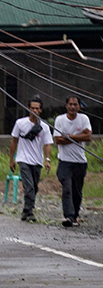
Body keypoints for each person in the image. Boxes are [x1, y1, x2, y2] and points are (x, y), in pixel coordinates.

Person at [9, 97, 54, 222]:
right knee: (29, 187)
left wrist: (47, 160)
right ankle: (29, 211)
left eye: (37, 108)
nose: (35, 110)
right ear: (28, 109)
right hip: (23, 159)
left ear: (41, 110)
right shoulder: (20, 123)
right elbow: (14, 141)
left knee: (34, 187)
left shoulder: (44, 127)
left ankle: (26, 210)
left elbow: (47, 144)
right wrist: (11, 159)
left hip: (37, 161)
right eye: (32, 108)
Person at [53, 95, 92, 227]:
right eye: (70, 104)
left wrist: (69, 137)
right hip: (64, 161)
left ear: (79, 107)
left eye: (75, 105)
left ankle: (75, 215)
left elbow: (88, 136)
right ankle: (69, 216)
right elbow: (58, 140)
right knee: (67, 188)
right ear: (66, 106)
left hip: (80, 162)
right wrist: (78, 137)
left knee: (77, 191)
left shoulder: (83, 119)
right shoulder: (60, 120)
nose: (73, 107)